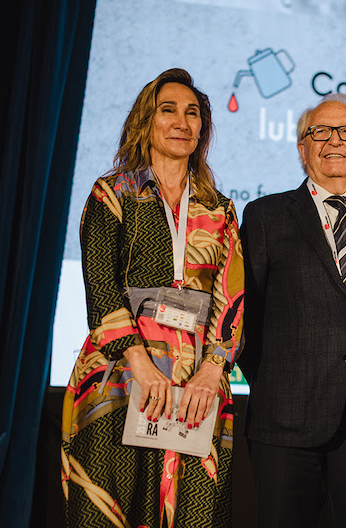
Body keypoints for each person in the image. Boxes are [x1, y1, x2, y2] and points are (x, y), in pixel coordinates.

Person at [60, 68, 244, 528]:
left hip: (199, 382)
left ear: (203, 129)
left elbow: (232, 296)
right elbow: (100, 288)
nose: (182, 122)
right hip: (121, 372)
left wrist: (212, 370)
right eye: (169, 110)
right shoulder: (113, 193)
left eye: (193, 113)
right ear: (147, 120)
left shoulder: (218, 207)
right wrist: (140, 364)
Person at [238, 93, 346, 528]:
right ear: (302, 147)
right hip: (286, 415)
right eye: (320, 132)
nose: (335, 141)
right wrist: (279, 379)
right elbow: (245, 314)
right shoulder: (266, 216)